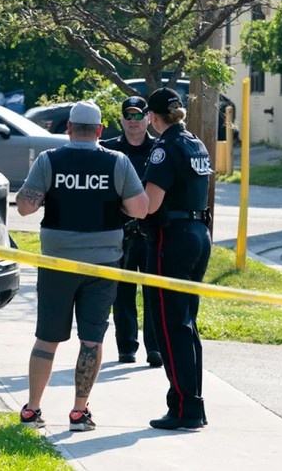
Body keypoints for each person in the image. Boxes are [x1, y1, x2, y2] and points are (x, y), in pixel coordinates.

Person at [15, 100, 149, 432]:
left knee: (47, 338)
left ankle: (33, 409)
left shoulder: (49, 160)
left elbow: (25, 207)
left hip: (56, 263)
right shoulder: (117, 161)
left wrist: (45, 193)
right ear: (100, 130)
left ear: (69, 128)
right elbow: (140, 209)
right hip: (102, 265)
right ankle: (78, 412)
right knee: (91, 339)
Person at [142, 87, 212, 430]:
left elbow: (150, 204)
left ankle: (185, 408)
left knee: (170, 326)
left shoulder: (164, 148)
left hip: (173, 239)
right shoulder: (195, 143)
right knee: (186, 323)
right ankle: (191, 403)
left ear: (153, 118)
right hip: (199, 233)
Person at [100, 96, 162, 368]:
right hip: (120, 232)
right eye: (129, 116)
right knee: (122, 293)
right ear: (122, 119)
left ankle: (155, 348)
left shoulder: (160, 149)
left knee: (153, 292)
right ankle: (126, 348)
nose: (134, 121)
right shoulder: (108, 150)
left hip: (153, 232)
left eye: (139, 116)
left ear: (148, 118)